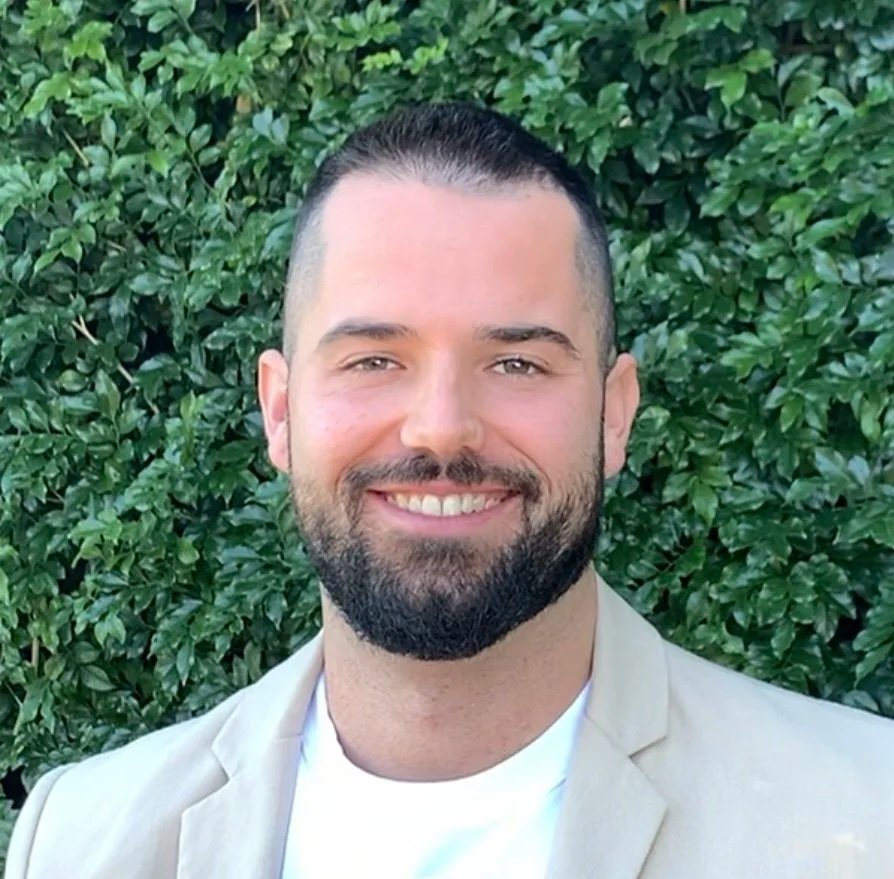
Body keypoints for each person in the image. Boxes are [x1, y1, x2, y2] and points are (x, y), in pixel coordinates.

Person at [5, 102, 894, 879]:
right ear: (280, 410)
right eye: (373, 360)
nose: (440, 428)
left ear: (614, 414)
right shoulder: (83, 841)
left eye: (517, 362)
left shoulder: (863, 818)